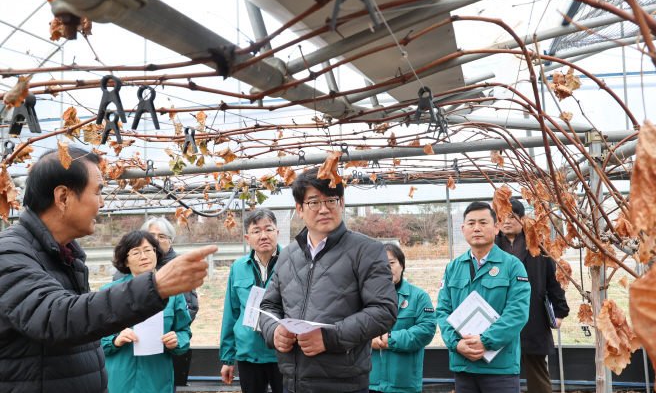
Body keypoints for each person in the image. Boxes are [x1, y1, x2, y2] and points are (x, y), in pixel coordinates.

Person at [0, 147, 216, 393]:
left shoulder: (65, 256)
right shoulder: (10, 253)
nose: (102, 203)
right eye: (98, 191)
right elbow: (57, 317)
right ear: (63, 198)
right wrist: (154, 287)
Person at [259, 167, 398, 393]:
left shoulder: (366, 250)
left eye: (331, 200)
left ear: (341, 203)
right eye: (314, 202)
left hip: (344, 383)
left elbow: (384, 311)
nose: (323, 209)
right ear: (300, 209)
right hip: (292, 383)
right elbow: (268, 305)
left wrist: (329, 338)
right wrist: (273, 330)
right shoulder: (287, 255)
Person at [436, 201, 531, 393]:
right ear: (463, 229)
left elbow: (517, 312)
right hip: (464, 365)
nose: (476, 228)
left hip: (500, 368)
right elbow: (443, 311)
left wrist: (485, 341)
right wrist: (456, 344)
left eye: (483, 222)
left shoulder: (513, 266)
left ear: (496, 228)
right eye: (471, 223)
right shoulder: (453, 268)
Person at [102, 231, 192, 393]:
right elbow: (92, 339)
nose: (143, 256)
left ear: (156, 254)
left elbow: (184, 331)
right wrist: (115, 340)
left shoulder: (173, 292)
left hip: (157, 377)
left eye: (148, 250)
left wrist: (176, 340)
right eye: (136, 252)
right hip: (120, 379)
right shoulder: (109, 292)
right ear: (125, 260)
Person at [495, 199, 570, 393]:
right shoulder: (491, 246)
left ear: (522, 219)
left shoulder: (537, 246)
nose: (507, 221)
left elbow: (552, 280)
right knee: (497, 370)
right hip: (497, 316)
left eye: (512, 216)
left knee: (536, 369)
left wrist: (559, 312)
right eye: (502, 217)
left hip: (533, 314)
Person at [220, 208, 284, 392]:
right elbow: (231, 314)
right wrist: (227, 358)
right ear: (248, 238)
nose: (263, 235)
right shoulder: (238, 267)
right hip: (249, 354)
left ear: (277, 233)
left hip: (283, 353)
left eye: (269, 229)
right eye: (256, 231)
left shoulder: (292, 261)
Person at [369, 244, 436, 393]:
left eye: (391, 263)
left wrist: (390, 339)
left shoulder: (419, 296)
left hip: (404, 383)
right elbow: (352, 329)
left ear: (402, 265)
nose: (387, 267)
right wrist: (368, 339)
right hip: (370, 382)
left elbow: (426, 330)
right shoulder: (364, 297)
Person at [113, 216, 199, 320]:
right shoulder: (124, 273)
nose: (156, 240)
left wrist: (171, 330)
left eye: (162, 237)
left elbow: (189, 308)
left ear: (170, 241)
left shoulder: (181, 268)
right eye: (151, 235)